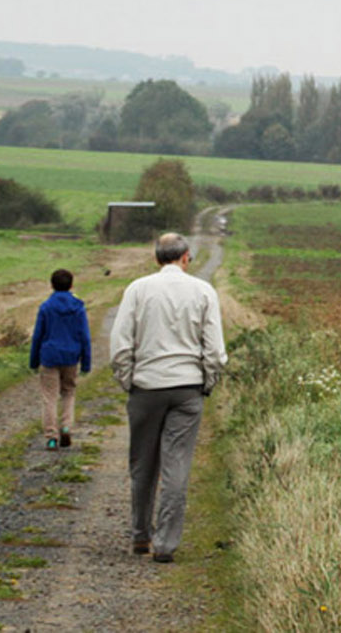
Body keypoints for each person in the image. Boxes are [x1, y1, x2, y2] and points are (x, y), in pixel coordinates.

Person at [110, 232, 228, 563]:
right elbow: (215, 350)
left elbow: (120, 343)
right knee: (177, 465)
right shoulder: (204, 291)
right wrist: (207, 382)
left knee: (142, 464)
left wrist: (128, 379)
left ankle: (140, 535)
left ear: (156, 258)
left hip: (146, 387)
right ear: (186, 257)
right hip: (187, 388)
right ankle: (165, 544)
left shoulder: (137, 289)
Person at [30, 268, 92, 450]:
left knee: (49, 397)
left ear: (52, 285)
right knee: (68, 392)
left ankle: (51, 437)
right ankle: (66, 427)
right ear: (71, 285)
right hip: (71, 356)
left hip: (49, 356)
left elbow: (37, 336)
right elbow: (85, 337)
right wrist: (86, 362)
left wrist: (34, 361)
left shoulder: (46, 307)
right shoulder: (78, 307)